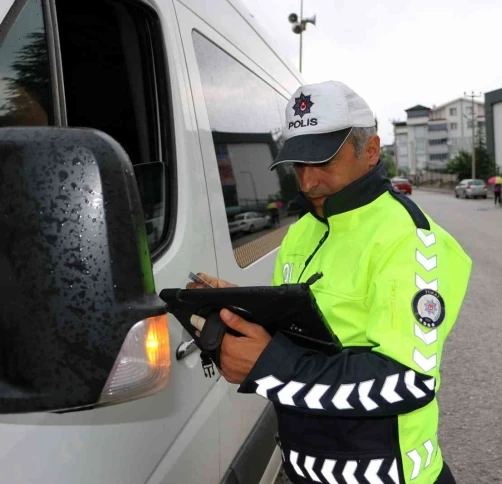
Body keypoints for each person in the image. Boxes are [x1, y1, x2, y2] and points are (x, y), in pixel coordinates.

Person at [188, 81, 472, 484]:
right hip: (304, 470)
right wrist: (233, 310)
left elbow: (410, 381)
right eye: (299, 165)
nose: (307, 182)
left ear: (371, 151)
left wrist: (273, 367)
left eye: (322, 162)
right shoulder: (300, 232)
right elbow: (296, 334)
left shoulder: (413, 240)